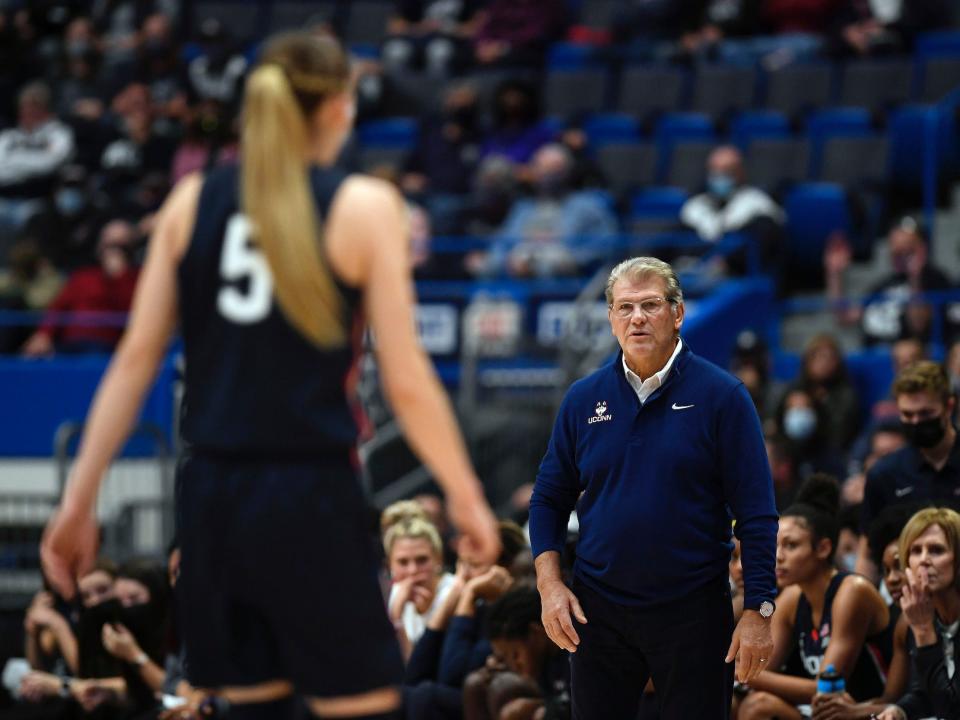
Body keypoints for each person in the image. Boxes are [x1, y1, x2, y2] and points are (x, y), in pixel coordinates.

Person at [40, 30, 500, 720]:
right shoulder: (365, 206)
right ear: (341, 106)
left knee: (250, 709)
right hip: (309, 490)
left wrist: (77, 503)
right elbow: (405, 379)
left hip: (212, 495)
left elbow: (134, 364)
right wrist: (466, 496)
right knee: (366, 707)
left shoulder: (190, 202)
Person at [529, 256, 778, 719]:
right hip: (597, 610)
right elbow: (548, 498)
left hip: (693, 609)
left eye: (650, 305)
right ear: (610, 318)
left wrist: (759, 609)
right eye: (624, 308)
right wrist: (549, 585)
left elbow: (757, 513)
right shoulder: (583, 399)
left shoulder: (723, 397)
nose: (637, 318)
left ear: (677, 313)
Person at [736, 475, 890, 720]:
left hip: (866, 711)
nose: (778, 556)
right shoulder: (793, 596)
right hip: (819, 713)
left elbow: (826, 689)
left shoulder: (852, 591)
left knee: (759, 706)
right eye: (775, 545)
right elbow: (763, 664)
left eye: (791, 545)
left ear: (823, 549)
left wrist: (745, 673)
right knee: (734, 703)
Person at [856, 361, 960, 579]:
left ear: (949, 407)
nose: (916, 422)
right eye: (907, 414)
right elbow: (867, 554)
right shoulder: (884, 474)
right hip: (906, 593)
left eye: (925, 413)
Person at [876, 507, 960, 720]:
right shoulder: (919, 614)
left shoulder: (920, 621)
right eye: (915, 551)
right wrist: (899, 711)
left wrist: (924, 632)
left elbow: (951, 709)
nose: (923, 560)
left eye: (936, 550)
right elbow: (925, 692)